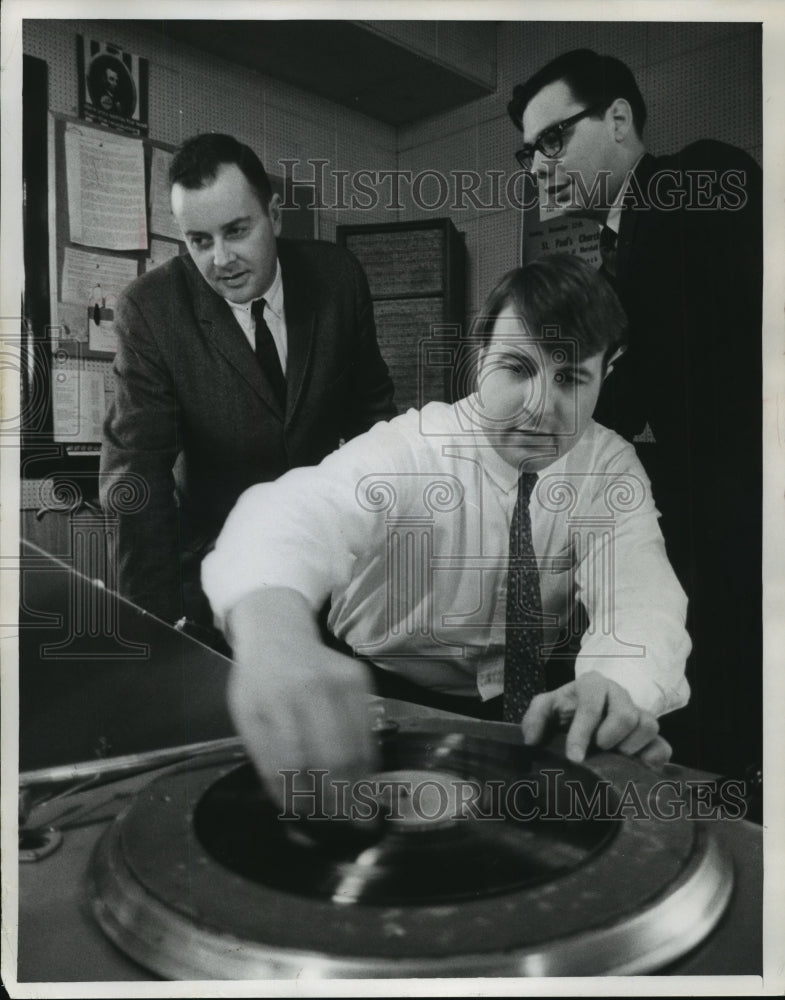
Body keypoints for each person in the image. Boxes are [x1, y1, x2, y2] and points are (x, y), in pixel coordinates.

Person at [202, 255, 690, 803]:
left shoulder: (609, 465)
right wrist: (274, 636)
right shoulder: (415, 446)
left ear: (607, 375)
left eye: (571, 377)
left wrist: (618, 685)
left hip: (536, 708)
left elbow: (642, 594)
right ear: (480, 357)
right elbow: (294, 511)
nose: (539, 408)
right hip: (380, 697)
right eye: (517, 368)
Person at [507, 50, 762, 775]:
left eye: (553, 139)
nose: (539, 167)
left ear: (618, 119)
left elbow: (659, 357)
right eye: (529, 153)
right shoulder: (619, 247)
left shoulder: (696, 178)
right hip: (714, 525)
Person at [100, 133, 396, 635]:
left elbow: (375, 421)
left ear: (274, 216)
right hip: (217, 579)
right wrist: (156, 628)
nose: (221, 259)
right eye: (200, 241)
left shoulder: (337, 278)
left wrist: (389, 558)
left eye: (236, 231)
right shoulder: (150, 310)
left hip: (334, 570)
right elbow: (137, 480)